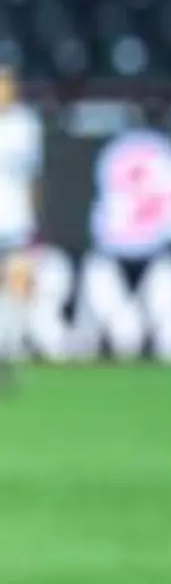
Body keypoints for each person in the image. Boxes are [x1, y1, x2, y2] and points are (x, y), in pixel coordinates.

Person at [0, 65, 42, 389]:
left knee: (16, 292)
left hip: (15, 221)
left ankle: (8, 357)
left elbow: (32, 178)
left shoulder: (26, 125)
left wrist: (33, 221)